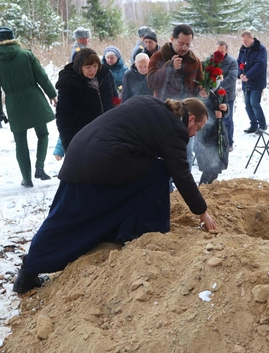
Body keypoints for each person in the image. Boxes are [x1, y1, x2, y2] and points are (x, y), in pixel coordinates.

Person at [12, 96, 216, 294]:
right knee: (161, 172)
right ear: (190, 119)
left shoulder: (151, 103)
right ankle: (145, 231)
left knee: (64, 216)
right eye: (197, 128)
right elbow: (180, 173)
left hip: (79, 153)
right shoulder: (174, 130)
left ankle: (28, 271)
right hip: (101, 161)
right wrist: (202, 211)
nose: (194, 134)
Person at [0, 27, 58, 188]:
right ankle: (40, 167)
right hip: (34, 99)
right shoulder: (26, 55)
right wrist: (52, 95)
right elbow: (42, 77)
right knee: (43, 134)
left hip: (14, 105)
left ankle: (27, 178)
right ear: (13, 38)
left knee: (20, 141)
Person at [56, 48, 115, 150]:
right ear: (80, 67)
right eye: (88, 67)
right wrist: (69, 145)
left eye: (95, 66)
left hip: (108, 132)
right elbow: (63, 117)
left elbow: (115, 97)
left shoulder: (105, 75)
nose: (92, 70)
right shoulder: (69, 84)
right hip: (83, 137)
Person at [148, 25, 202, 100]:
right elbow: (151, 83)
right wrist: (169, 67)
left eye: (188, 44)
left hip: (187, 108)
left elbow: (198, 85)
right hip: (164, 106)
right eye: (181, 43)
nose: (184, 48)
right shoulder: (158, 57)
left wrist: (202, 91)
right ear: (172, 39)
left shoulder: (194, 61)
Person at [195, 84, 229, 184]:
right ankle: (201, 191)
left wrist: (225, 109)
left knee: (216, 167)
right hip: (205, 134)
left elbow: (226, 107)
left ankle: (207, 192)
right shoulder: (200, 90)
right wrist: (212, 114)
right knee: (209, 167)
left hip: (219, 132)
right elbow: (196, 108)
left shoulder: (220, 90)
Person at [237, 31, 268, 135]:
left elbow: (260, 64)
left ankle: (262, 125)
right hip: (245, 82)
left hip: (257, 81)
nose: (244, 43)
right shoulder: (243, 50)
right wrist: (240, 74)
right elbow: (239, 63)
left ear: (251, 39)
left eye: (246, 41)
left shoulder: (260, 49)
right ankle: (253, 124)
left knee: (254, 102)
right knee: (247, 104)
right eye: (242, 41)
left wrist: (248, 75)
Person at [212, 41, 238, 151]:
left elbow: (231, 79)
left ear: (226, 50)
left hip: (227, 95)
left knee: (227, 119)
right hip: (213, 95)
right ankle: (216, 142)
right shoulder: (211, 60)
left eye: (222, 51)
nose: (220, 53)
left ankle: (229, 142)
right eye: (218, 51)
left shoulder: (232, 62)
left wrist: (216, 86)